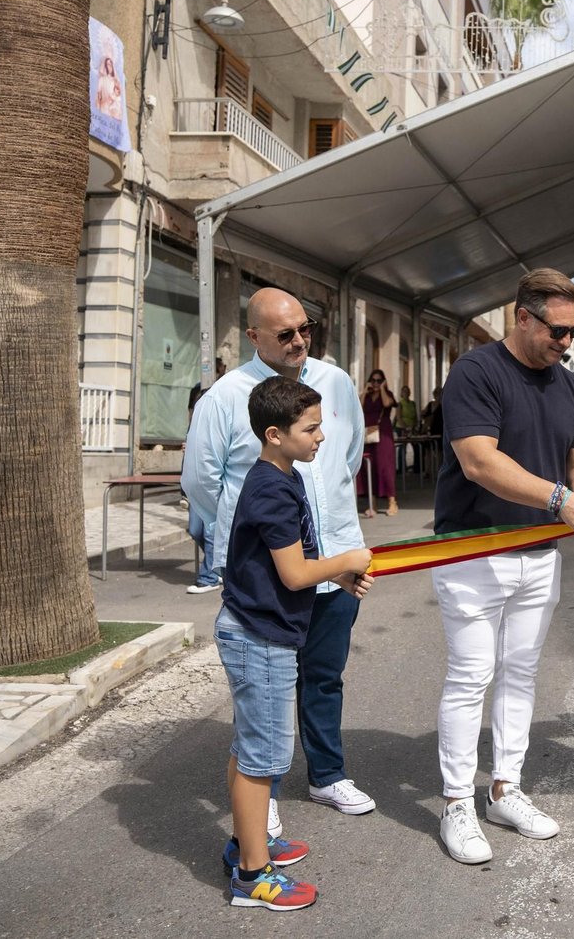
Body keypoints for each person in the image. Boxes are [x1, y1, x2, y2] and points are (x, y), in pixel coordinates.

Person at [430, 269, 574, 865]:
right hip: (472, 549)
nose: (567, 342)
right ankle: (456, 804)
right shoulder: (476, 371)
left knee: (520, 674)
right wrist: (561, 502)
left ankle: (504, 790)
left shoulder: (571, 389)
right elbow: (478, 462)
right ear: (523, 317)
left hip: (538, 555)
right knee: (471, 676)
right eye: (559, 330)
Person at [183, 287, 379, 837]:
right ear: (253, 337)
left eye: (304, 329)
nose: (299, 341)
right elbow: (201, 480)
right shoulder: (225, 396)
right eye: (284, 333)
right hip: (268, 574)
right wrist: (243, 543)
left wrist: (338, 539)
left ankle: (327, 774)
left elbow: (347, 456)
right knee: (265, 684)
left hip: (336, 556)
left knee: (324, 673)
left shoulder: (335, 383)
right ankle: (260, 789)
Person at [216, 376, 374, 911]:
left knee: (250, 748)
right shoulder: (272, 488)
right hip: (259, 637)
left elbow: (296, 566)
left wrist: (341, 576)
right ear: (274, 434)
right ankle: (252, 876)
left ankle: (249, 843)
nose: (322, 438)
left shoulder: (281, 475)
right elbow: (292, 572)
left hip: (260, 631)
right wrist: (348, 561)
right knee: (264, 757)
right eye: (310, 429)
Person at [185, 358, 228, 595]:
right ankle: (219, 565)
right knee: (196, 530)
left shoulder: (226, 391)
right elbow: (191, 419)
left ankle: (209, 576)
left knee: (211, 529)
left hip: (218, 469)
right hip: (196, 465)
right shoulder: (197, 390)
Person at [358, 369, 398, 517]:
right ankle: (372, 503)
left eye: (378, 380)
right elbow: (359, 407)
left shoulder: (387, 395)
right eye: (373, 380)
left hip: (383, 434)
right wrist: (364, 390)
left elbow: (388, 404)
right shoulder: (367, 396)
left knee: (385, 467)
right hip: (368, 434)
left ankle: (392, 502)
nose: (375, 383)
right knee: (369, 468)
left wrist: (382, 389)